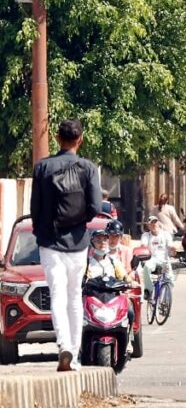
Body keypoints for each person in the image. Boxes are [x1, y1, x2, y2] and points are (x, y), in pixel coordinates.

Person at [31, 120, 102, 372]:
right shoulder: (89, 168)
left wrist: (42, 233)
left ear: (57, 139)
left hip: (50, 243)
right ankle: (75, 352)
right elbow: (95, 206)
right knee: (75, 297)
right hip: (78, 244)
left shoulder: (42, 168)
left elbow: (35, 208)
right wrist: (79, 223)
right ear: (80, 140)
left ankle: (63, 347)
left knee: (57, 296)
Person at [141, 216, 175, 297]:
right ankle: (148, 290)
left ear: (158, 223)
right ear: (148, 226)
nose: (154, 225)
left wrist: (172, 248)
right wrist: (144, 247)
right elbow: (143, 244)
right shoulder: (146, 235)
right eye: (151, 223)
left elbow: (170, 245)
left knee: (170, 280)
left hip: (164, 260)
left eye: (155, 222)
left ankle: (165, 300)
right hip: (151, 260)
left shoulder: (165, 234)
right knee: (147, 267)